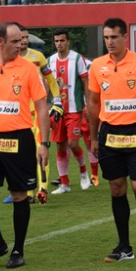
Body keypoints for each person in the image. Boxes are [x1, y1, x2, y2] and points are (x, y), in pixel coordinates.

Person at [0, 22, 49, 269]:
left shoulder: (29, 70)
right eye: (15, 41)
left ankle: (18, 251)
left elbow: (42, 107)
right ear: (0, 42)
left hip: (20, 139)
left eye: (22, 40)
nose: (21, 44)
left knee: (18, 195)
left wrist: (44, 143)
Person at [86, 18, 136, 263]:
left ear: (124, 37)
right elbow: (93, 103)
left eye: (114, 37)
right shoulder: (97, 66)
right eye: (106, 37)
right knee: (116, 188)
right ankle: (124, 247)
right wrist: (92, 137)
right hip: (109, 133)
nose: (109, 42)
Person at [50, 28, 94, 193]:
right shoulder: (50, 61)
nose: (59, 44)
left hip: (74, 110)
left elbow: (85, 84)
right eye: (56, 41)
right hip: (57, 111)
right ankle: (64, 184)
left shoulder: (77, 59)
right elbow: (47, 86)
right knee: (60, 146)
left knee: (73, 143)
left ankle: (84, 172)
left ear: (68, 41)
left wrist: (89, 106)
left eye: (62, 40)